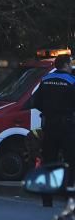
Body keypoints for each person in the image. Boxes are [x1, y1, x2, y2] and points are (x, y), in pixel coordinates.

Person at [31, 54, 75, 205]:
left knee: (49, 160)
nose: (71, 66)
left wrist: (49, 111)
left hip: (49, 125)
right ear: (64, 64)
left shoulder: (45, 79)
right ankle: (69, 197)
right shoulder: (72, 81)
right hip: (67, 126)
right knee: (70, 161)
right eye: (70, 63)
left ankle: (47, 199)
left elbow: (35, 101)